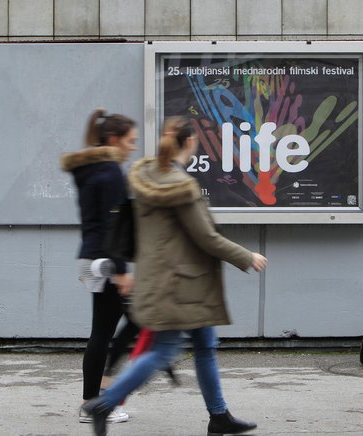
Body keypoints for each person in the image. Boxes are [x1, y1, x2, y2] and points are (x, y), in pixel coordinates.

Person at [82, 116, 268, 436]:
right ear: (191, 143)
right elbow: (206, 237)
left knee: (205, 344)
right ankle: (105, 402)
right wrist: (246, 256)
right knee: (164, 351)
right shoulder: (181, 186)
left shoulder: (147, 175)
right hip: (184, 283)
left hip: (169, 277)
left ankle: (219, 415)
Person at [60, 109, 141, 424]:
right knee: (125, 325)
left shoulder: (92, 169)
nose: (133, 147)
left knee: (107, 330)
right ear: (113, 139)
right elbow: (113, 223)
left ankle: (96, 399)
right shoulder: (109, 172)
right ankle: (95, 402)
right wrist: (121, 270)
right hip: (106, 261)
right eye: (130, 141)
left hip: (92, 258)